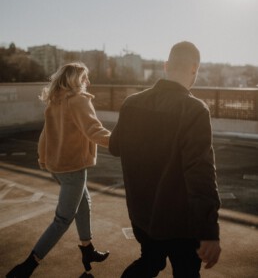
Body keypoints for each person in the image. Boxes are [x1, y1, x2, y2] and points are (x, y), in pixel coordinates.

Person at [109, 41, 221, 278]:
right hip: (180, 224)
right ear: (194, 69)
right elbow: (200, 174)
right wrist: (209, 231)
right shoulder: (194, 110)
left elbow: (114, 146)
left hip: (142, 217)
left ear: (166, 65)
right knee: (186, 272)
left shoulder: (131, 104)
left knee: (149, 262)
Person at [6, 62, 111, 278]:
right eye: (85, 78)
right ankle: (29, 265)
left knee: (84, 204)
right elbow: (94, 130)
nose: (88, 82)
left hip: (58, 167)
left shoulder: (55, 102)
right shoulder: (79, 100)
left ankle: (87, 249)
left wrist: (44, 160)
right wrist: (121, 141)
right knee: (63, 219)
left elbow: (45, 136)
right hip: (73, 167)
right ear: (75, 80)